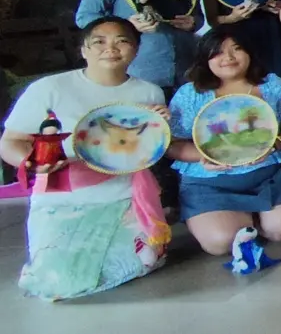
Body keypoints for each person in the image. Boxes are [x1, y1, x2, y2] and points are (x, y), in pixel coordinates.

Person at [2, 18, 171, 300]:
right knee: (58, 281)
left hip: (124, 195)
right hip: (64, 198)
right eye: (100, 42)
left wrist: (160, 125)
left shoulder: (150, 92)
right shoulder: (50, 89)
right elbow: (11, 141)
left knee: (142, 259)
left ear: (136, 49)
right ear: (84, 50)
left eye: (122, 41)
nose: (111, 48)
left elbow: (147, 149)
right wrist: (32, 163)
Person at [166, 27, 281, 254]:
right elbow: (171, 144)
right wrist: (203, 155)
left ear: (250, 53)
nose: (229, 58)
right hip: (210, 183)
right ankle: (234, 218)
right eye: (218, 52)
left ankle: (256, 219)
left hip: (270, 175)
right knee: (221, 242)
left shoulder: (272, 85)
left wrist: (272, 146)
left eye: (236, 49)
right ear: (205, 58)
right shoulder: (189, 93)